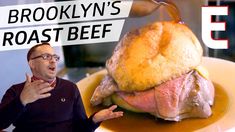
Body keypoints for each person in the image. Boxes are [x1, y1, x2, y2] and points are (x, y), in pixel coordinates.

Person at [0, 43, 123, 132]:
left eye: (55, 57)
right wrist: (22, 100)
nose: (53, 61)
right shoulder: (16, 91)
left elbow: (81, 128)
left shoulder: (70, 88)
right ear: (32, 63)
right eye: (46, 57)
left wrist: (94, 119)